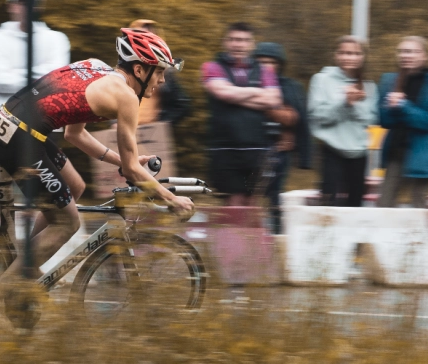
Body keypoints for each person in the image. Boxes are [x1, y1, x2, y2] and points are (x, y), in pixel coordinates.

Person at [0, 28, 194, 315]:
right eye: (159, 72)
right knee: (68, 223)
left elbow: (74, 135)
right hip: (20, 138)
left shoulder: (95, 66)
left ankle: (24, 263)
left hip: (11, 127)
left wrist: (120, 161)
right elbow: (133, 171)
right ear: (140, 69)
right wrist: (172, 198)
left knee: (76, 186)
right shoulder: (127, 98)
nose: (163, 80)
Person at [202, 22, 282, 207]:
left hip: (257, 150)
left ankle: (251, 238)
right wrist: (256, 91)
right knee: (234, 205)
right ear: (225, 42)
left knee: (253, 205)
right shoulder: (212, 67)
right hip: (224, 150)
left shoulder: (265, 71)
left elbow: (274, 100)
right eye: (234, 39)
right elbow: (223, 93)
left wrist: (234, 94)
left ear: (252, 44)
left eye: (244, 40)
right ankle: (231, 238)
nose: (239, 44)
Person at [377, 36, 428, 208]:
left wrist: (403, 106)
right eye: (402, 51)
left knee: (419, 210)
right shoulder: (389, 81)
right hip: (395, 152)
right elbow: (383, 120)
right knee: (384, 206)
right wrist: (391, 107)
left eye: (412, 51)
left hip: (422, 155)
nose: (405, 55)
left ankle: (418, 236)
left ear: (425, 56)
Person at [0, 0, 71, 120]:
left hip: (44, 119)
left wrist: (14, 73)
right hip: (4, 120)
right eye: (21, 3)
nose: (27, 8)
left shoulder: (57, 39)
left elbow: (56, 81)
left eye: (32, 3)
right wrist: (40, 78)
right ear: (10, 6)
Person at [308, 36, 378, 207]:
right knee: (329, 201)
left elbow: (371, 120)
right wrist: (344, 103)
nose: (350, 57)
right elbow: (319, 116)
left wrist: (353, 105)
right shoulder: (321, 80)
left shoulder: (369, 86)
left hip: (359, 152)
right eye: (345, 53)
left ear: (362, 57)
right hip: (332, 149)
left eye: (355, 54)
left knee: (354, 204)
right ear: (336, 55)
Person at [253, 42, 310, 233]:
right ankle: (251, 237)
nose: (266, 66)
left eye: (271, 62)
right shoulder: (247, 83)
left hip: (280, 149)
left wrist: (303, 155)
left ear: (280, 64)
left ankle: (277, 236)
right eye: (261, 62)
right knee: (252, 195)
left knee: (276, 198)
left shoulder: (291, 86)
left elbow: (299, 118)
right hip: (252, 146)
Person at [128, 19, 191, 126]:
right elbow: (112, 103)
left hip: (155, 135)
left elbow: (182, 104)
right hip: (128, 132)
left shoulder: (166, 71)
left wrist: (163, 123)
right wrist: (115, 121)